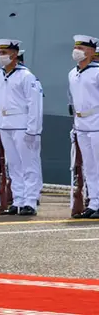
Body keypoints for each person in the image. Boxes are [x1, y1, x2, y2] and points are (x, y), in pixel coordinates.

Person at [0, 39, 43, 216]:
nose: (1, 56)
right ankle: (19, 200)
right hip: (5, 125)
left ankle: (30, 201)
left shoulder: (26, 76)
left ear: (14, 54)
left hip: (22, 126)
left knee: (29, 164)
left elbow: (34, 104)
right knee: (13, 166)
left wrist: (33, 129)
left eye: (4, 52)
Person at [68, 35, 99, 219]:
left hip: (97, 122)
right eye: (76, 47)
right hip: (81, 125)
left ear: (91, 51)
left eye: (81, 47)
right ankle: (94, 202)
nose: (77, 50)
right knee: (89, 166)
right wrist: (75, 126)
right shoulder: (72, 73)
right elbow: (72, 102)